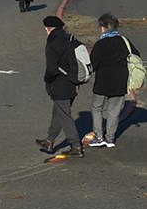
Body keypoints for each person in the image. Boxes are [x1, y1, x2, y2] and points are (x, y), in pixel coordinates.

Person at [88, 13, 140, 147]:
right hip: (120, 80)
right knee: (114, 110)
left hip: (103, 80)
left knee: (97, 107)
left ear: (103, 27)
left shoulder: (100, 43)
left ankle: (99, 136)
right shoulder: (124, 41)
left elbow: (93, 63)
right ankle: (110, 138)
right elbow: (135, 55)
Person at [36, 16, 84, 158]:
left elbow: (51, 68)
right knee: (58, 111)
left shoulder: (52, 44)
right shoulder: (70, 39)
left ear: (48, 29)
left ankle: (76, 146)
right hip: (73, 81)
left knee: (64, 115)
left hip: (59, 84)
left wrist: (47, 80)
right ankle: (49, 140)